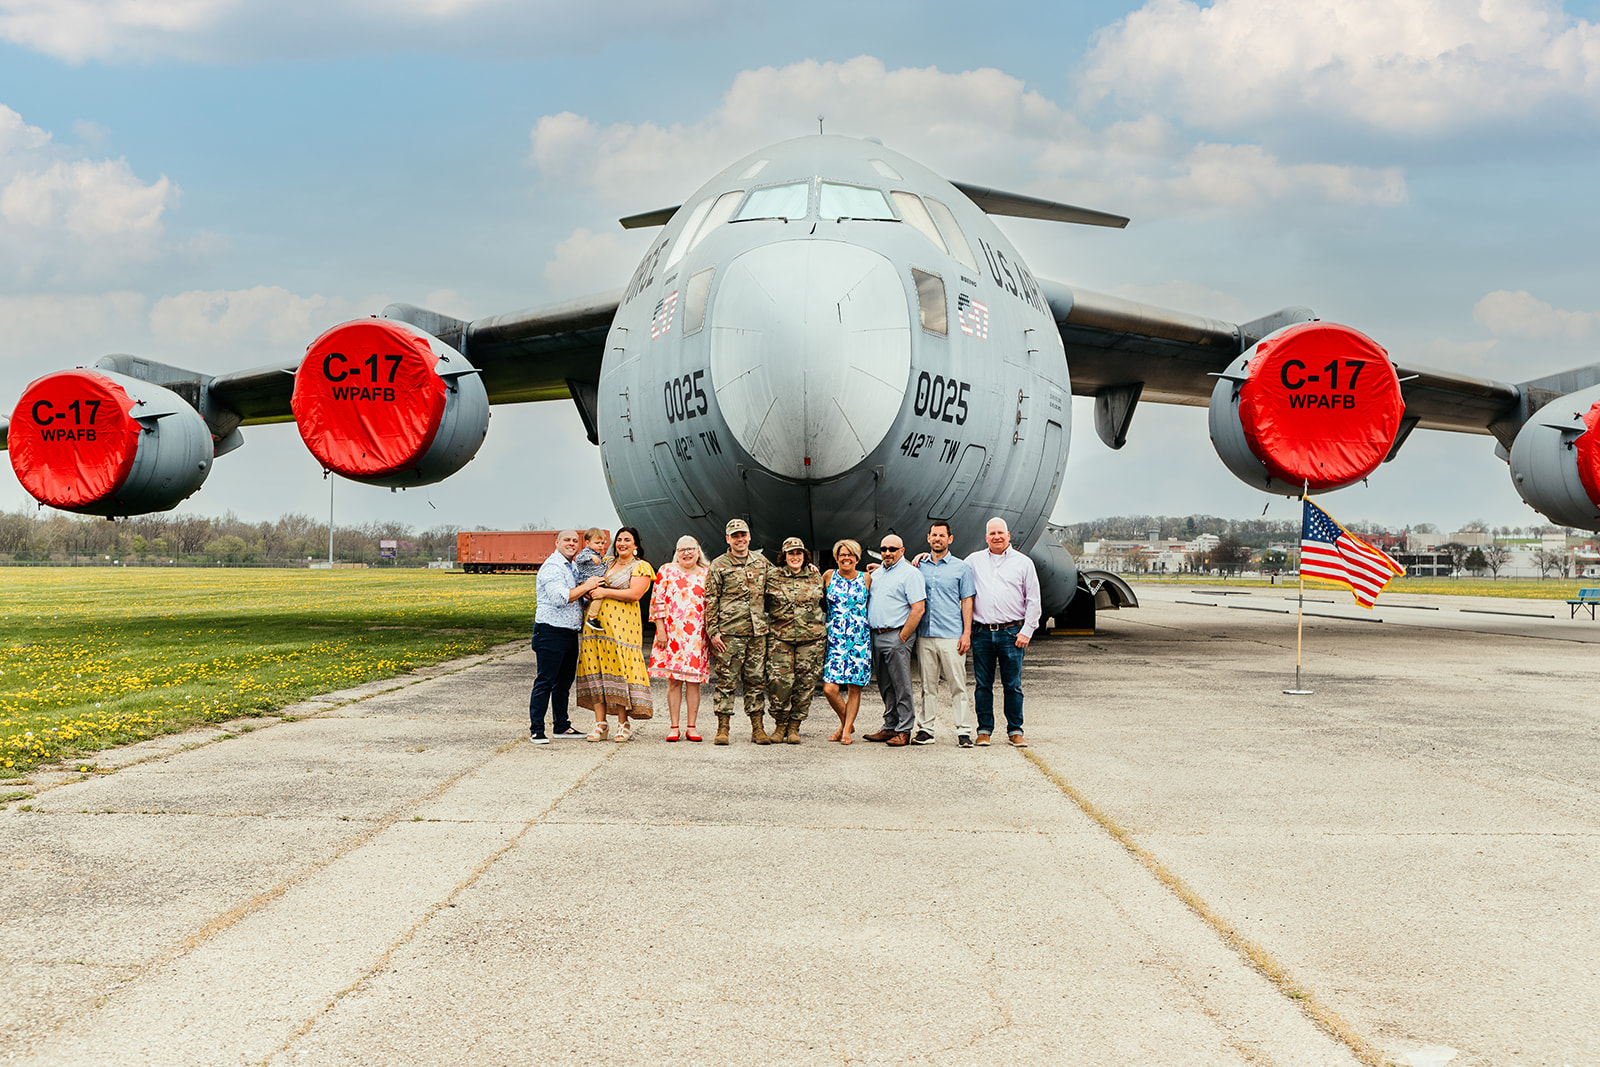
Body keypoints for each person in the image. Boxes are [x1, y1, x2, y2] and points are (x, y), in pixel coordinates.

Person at [964, 517, 1041, 748]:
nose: (996, 537)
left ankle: (1015, 730)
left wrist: (1027, 631)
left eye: (1000, 533)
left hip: (1012, 632)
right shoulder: (973, 560)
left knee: (1013, 684)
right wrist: (922, 558)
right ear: (986, 537)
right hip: (982, 633)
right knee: (982, 684)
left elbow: (1033, 600)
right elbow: (951, 570)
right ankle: (984, 730)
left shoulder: (1023, 563)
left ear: (1008, 535)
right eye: (992, 533)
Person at [575, 527, 656, 742]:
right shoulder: (607, 562)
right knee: (596, 670)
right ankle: (601, 724)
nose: (622, 543)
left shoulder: (641, 567)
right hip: (595, 628)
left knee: (619, 670)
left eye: (627, 540)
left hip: (623, 629)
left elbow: (635, 594)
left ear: (635, 545)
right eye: (619, 540)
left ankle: (623, 723)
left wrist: (604, 592)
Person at [528, 529, 605, 743]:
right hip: (550, 631)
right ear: (557, 542)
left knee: (563, 683)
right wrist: (587, 586)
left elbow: (579, 595)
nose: (571, 543)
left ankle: (561, 726)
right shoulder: (552, 567)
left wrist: (589, 592)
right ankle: (537, 729)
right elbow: (560, 598)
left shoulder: (572, 566)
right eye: (567, 540)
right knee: (545, 681)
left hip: (569, 632)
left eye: (574, 540)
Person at [704, 518, 771, 746]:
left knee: (755, 681)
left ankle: (758, 728)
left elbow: (780, 580)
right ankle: (723, 728)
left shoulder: (761, 562)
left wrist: (808, 568)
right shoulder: (718, 565)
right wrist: (713, 631)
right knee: (726, 681)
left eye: (743, 535)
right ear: (727, 539)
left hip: (757, 633)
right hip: (730, 633)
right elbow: (711, 599)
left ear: (749, 537)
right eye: (735, 536)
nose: (740, 539)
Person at [911, 521, 975, 747]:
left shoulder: (961, 568)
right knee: (928, 686)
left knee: (958, 685)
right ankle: (926, 730)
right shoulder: (919, 566)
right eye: (934, 535)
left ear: (950, 539)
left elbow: (967, 601)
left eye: (942, 535)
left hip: (952, 635)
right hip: (925, 634)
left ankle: (964, 732)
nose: (937, 539)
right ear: (928, 538)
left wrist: (966, 633)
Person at [861, 534, 925, 747]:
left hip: (896, 634)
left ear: (902, 551)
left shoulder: (911, 574)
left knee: (901, 684)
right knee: (885, 684)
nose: (887, 553)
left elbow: (918, 609)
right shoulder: (877, 574)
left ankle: (904, 729)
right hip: (877, 635)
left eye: (892, 549)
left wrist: (902, 637)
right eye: (884, 548)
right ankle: (889, 726)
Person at [763, 537, 825, 745]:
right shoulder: (772, 576)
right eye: (791, 554)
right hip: (781, 638)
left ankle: (794, 726)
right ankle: (780, 724)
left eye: (799, 553)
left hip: (811, 640)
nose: (795, 557)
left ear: (804, 556)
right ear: (784, 556)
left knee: (805, 684)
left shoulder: (817, 577)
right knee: (779, 682)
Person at [649, 535, 710, 742]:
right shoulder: (666, 570)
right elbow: (656, 601)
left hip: (696, 638)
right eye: (682, 549)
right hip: (671, 636)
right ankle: (674, 727)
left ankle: (691, 727)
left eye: (690, 548)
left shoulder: (706, 574)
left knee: (694, 683)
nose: (687, 553)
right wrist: (661, 630)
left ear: (698, 550)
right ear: (677, 552)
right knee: (673, 682)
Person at [821, 539, 871, 744]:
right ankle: (847, 722)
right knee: (830, 689)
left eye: (850, 555)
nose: (846, 558)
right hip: (835, 639)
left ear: (857, 558)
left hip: (859, 639)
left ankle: (846, 730)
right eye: (842, 554)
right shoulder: (828, 576)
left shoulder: (867, 578)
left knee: (854, 687)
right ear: (836, 557)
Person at [573, 527, 610, 631]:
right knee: (599, 595)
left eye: (602, 543)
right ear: (587, 543)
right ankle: (592, 617)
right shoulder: (587, 552)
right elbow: (578, 558)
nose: (600, 545)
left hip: (595, 580)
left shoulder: (597, 554)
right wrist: (590, 556)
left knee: (595, 598)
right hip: (588, 581)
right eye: (597, 543)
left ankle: (586, 612)